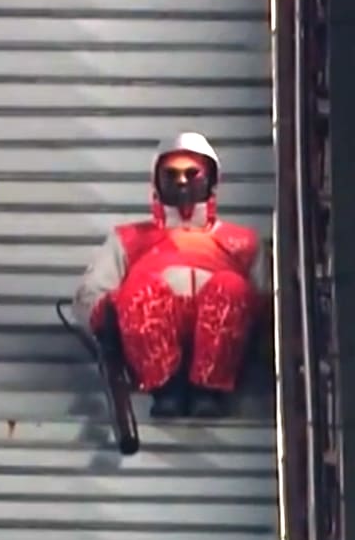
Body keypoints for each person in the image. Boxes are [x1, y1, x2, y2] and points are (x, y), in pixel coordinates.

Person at [72, 132, 269, 419]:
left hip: (227, 345)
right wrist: (112, 310)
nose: (181, 182)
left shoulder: (244, 242)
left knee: (232, 285)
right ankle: (167, 388)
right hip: (150, 347)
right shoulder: (128, 239)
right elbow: (89, 295)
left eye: (192, 173)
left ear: (211, 179)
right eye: (171, 174)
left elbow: (271, 302)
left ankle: (208, 390)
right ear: (156, 181)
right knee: (139, 287)